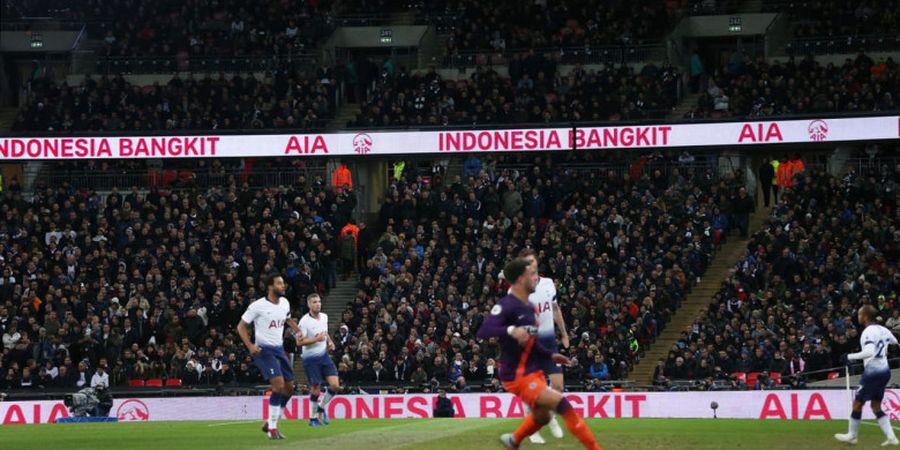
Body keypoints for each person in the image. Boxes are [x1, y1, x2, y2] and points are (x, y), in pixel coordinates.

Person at [477, 258, 602, 450]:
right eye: (532, 275)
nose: (536, 278)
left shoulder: (529, 307)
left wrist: (550, 355)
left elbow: (532, 343)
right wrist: (511, 330)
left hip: (532, 368)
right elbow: (484, 330)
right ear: (520, 279)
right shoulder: (508, 304)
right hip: (517, 374)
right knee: (562, 404)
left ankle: (514, 440)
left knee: (542, 415)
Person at [237, 273, 303, 440]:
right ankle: (272, 429)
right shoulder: (257, 306)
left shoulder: (285, 303)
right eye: (280, 283)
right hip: (264, 350)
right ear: (270, 287)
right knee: (278, 385)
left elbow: (286, 319)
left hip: (279, 349)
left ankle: (270, 423)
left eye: (283, 283)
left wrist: (297, 329)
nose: (283, 286)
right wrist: (250, 345)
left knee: (289, 388)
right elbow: (241, 327)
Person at [518, 249, 570, 443]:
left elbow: (555, 309)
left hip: (549, 342)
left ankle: (548, 416)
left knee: (558, 385)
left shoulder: (548, 284)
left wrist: (564, 333)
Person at [835, 305, 900, 446]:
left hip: (873, 373)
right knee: (876, 406)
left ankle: (852, 436)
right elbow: (895, 342)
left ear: (864, 316)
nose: (858, 317)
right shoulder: (883, 329)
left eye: (859, 314)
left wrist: (849, 356)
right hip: (885, 371)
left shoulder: (868, 332)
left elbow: (870, 352)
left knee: (857, 402)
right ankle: (891, 437)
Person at [297, 293, 341, 427]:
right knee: (316, 388)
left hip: (324, 356)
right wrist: (316, 339)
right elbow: (299, 342)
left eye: (319, 301)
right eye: (315, 302)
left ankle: (321, 407)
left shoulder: (324, 317)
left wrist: (330, 341)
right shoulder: (304, 321)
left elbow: (325, 332)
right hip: (310, 359)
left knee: (335, 385)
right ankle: (312, 418)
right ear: (309, 304)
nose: (318, 304)